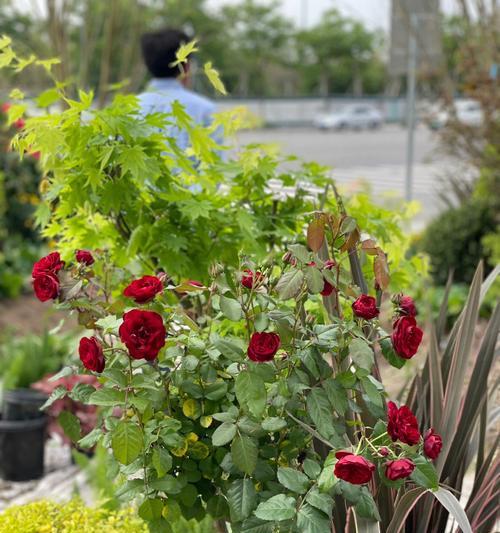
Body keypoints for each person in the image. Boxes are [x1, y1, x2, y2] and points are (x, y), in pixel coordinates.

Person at [138, 27, 217, 150]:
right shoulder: (204, 110)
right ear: (186, 66)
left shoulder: (127, 109)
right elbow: (215, 164)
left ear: (146, 64)